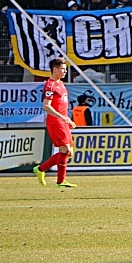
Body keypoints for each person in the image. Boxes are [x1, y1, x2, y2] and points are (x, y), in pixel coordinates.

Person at [33, 59, 77, 188]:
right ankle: (60, 181)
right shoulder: (50, 85)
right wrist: (62, 118)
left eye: (66, 69)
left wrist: (67, 119)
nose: (65, 71)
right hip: (55, 121)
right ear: (55, 69)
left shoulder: (61, 84)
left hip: (63, 121)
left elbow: (61, 105)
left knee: (69, 152)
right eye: (63, 69)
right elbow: (46, 106)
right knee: (65, 149)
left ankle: (40, 169)